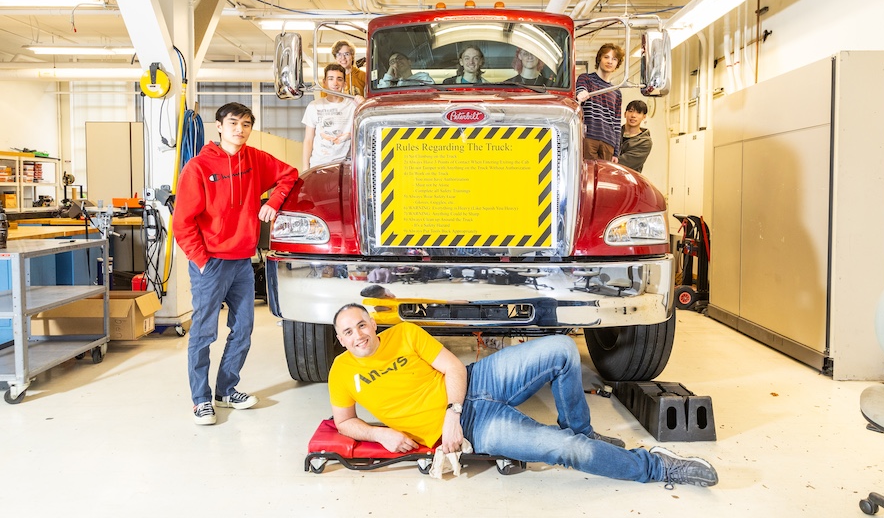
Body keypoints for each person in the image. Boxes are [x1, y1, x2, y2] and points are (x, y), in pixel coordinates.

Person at [328, 304, 719, 488]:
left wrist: (452, 410)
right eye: (347, 332)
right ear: (340, 339)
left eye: (361, 324)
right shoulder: (341, 373)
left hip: (472, 386)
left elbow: (454, 368)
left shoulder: (403, 334)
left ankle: (582, 428)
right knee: (569, 451)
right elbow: (344, 421)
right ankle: (657, 467)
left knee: (562, 350)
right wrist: (382, 435)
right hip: (476, 429)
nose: (358, 335)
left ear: (372, 321)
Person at [173, 102, 298, 426]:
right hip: (211, 264)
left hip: (243, 262)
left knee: (243, 330)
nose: (239, 129)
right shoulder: (199, 167)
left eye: (245, 124)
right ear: (218, 126)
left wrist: (273, 201)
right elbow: (182, 222)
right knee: (203, 334)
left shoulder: (255, 160)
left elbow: (289, 174)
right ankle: (201, 400)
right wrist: (200, 260)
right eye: (233, 123)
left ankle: (226, 391)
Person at [302, 63, 358, 171]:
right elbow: (308, 139)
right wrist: (305, 168)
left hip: (345, 167)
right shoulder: (314, 106)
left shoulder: (353, 106)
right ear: (324, 82)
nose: (335, 83)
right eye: (331, 79)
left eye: (339, 79)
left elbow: (371, 114)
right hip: (319, 165)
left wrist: (361, 101)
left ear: (345, 84)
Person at [576, 43, 624, 162]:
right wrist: (581, 94)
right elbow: (580, 91)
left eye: (614, 59)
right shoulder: (586, 79)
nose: (610, 61)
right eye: (606, 57)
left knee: (604, 178)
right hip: (589, 137)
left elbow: (617, 124)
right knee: (587, 176)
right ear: (599, 59)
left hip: (608, 142)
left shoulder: (616, 92)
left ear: (617, 64)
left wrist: (616, 153)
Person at [618, 100, 653, 173]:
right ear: (625, 114)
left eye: (638, 113)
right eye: (630, 111)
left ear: (644, 117)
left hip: (629, 180)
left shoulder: (645, 142)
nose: (633, 115)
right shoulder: (614, 133)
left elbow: (624, 163)